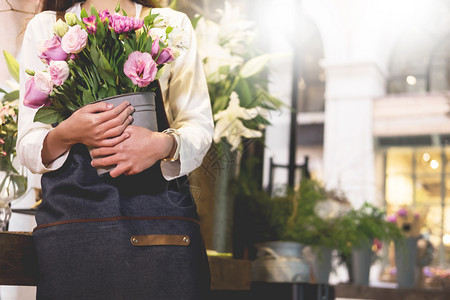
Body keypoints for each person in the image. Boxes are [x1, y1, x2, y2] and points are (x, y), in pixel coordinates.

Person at [17, 0, 214, 299]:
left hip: (160, 232)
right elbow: (29, 143)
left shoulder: (170, 25)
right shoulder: (47, 26)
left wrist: (160, 144)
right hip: (75, 233)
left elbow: (199, 126)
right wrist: (68, 133)